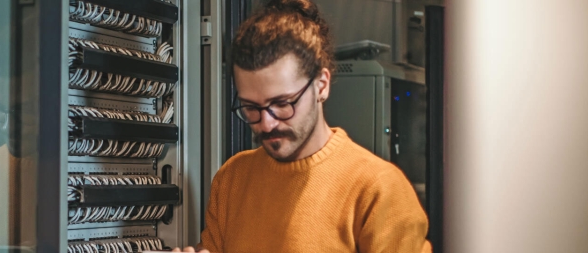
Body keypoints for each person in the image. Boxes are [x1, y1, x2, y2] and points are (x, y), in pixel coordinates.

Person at [174, 0, 430, 252]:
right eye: (251, 107)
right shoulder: (233, 178)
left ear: (321, 85)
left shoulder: (379, 190)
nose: (266, 123)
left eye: (283, 103)